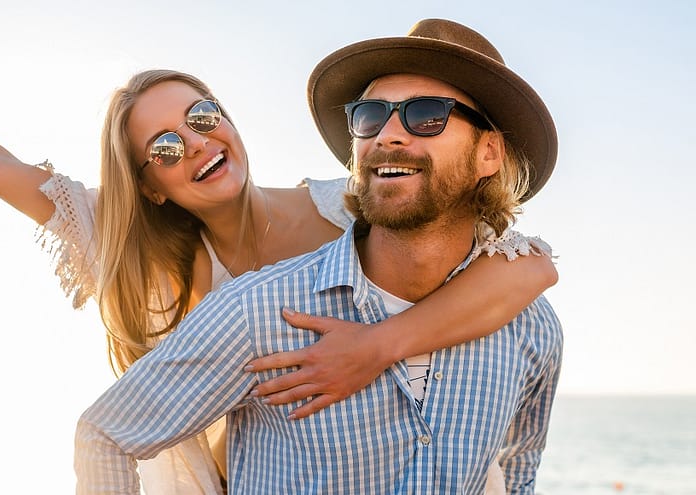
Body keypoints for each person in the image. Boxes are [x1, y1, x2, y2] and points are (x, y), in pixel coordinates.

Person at [0, 23, 556, 494]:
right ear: (147, 185)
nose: (201, 144)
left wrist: (375, 347)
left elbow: (529, 273)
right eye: (167, 146)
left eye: (204, 114)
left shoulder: (343, 203)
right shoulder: (182, 279)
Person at [74, 18, 563, 495]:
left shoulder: (532, 328)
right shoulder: (258, 311)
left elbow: (518, 469)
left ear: (489, 154)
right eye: (371, 116)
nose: (388, 135)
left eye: (427, 114)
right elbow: (107, 435)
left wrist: (378, 345)